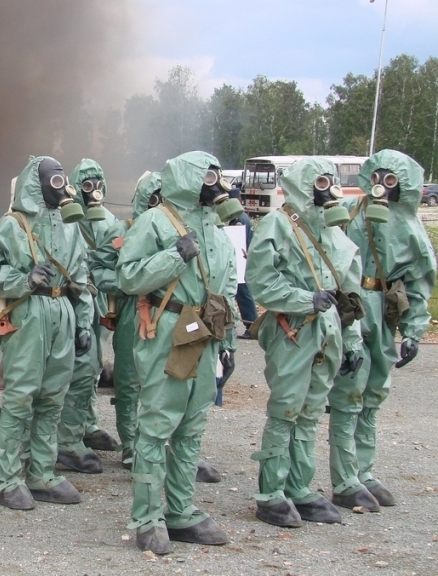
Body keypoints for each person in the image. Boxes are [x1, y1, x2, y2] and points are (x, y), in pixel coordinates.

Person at [116, 151, 237, 553]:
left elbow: (226, 287)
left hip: (206, 330)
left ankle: (181, 511)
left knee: (191, 425)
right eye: (208, 176)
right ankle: (147, 518)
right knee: (156, 424)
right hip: (169, 328)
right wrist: (175, 255)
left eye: (217, 175)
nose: (216, 183)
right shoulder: (155, 221)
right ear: (188, 178)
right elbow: (128, 276)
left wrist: (228, 341)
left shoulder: (216, 228)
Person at [246, 157, 363, 528]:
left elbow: (348, 291)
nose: (326, 188)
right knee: (285, 410)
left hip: (328, 330)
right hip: (292, 329)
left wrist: (352, 339)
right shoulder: (277, 225)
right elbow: (261, 281)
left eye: (329, 180)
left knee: (311, 412)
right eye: (319, 181)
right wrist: (303, 299)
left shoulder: (332, 227)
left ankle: (299, 487)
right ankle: (270, 493)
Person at [0, 155, 93, 510]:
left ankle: (42, 472)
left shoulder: (71, 226)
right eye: (53, 178)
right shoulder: (13, 225)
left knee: (53, 396)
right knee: (21, 396)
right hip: (28, 312)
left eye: (62, 177)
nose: (61, 184)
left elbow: (81, 277)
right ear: (35, 184)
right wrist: (22, 280)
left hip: (62, 309)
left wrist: (83, 321)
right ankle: (6, 478)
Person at [327, 149, 436, 510]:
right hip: (353, 305)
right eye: (376, 178)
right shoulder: (351, 212)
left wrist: (414, 330)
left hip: (385, 309)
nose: (381, 187)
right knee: (349, 391)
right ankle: (345, 478)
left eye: (390, 180)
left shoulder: (409, 225)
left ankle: (364, 471)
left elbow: (418, 280)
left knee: (374, 393)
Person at [90, 171, 162, 471]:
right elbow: (97, 268)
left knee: (164, 381)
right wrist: (126, 283)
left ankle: (157, 442)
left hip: (170, 310)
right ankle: (131, 444)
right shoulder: (123, 230)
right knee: (129, 380)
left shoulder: (179, 231)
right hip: (134, 309)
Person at [56, 159, 119, 474]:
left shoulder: (111, 221)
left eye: (97, 184)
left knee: (92, 365)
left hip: (100, 300)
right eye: (86, 184)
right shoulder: (66, 218)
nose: (93, 190)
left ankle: (87, 423)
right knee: (75, 367)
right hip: (73, 299)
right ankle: (66, 434)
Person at [228, 188, 258, 340]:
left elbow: (235, 240)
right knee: (243, 293)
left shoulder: (238, 218)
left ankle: (252, 326)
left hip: (240, 260)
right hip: (245, 258)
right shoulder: (243, 216)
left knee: (243, 294)